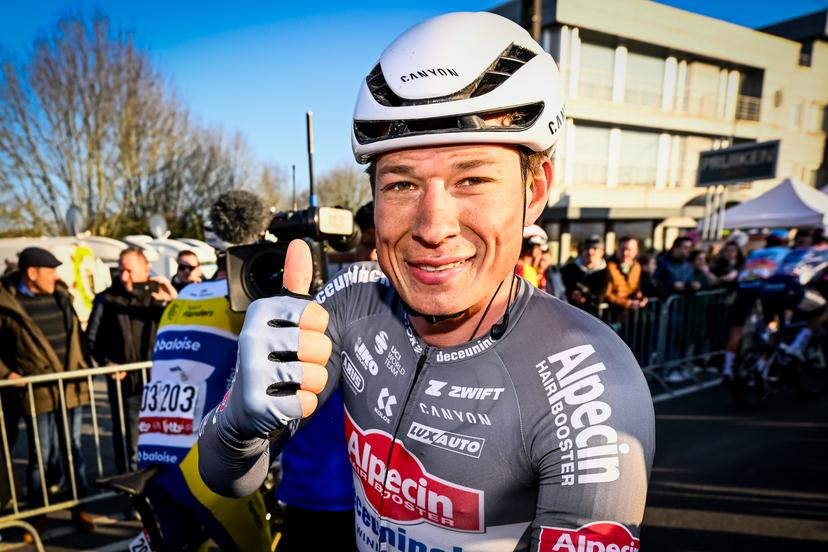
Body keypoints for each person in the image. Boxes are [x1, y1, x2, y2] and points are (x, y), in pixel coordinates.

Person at [198, 12, 654, 552]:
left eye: (473, 179)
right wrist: (236, 424)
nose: (433, 227)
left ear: (534, 191)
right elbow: (228, 477)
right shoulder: (353, 301)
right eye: (402, 184)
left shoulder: (595, 389)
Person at [133, 191, 272, 551]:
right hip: (205, 461)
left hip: (153, 454)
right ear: (258, 238)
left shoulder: (182, 298)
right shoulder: (244, 300)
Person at [0, 247, 95, 533]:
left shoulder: (61, 296)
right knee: (40, 455)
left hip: (70, 388)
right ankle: (38, 515)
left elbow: (78, 338)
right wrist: (7, 373)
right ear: (32, 273)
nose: (57, 275)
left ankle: (80, 507)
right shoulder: (7, 304)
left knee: (73, 451)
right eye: (50, 270)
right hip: (36, 392)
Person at [87, 248, 176, 474]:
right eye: (121, 270)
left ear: (146, 270)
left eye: (129, 271)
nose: (124, 276)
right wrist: (108, 364)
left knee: (163, 440)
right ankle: (131, 491)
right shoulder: (106, 299)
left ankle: (162, 488)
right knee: (130, 442)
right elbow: (92, 341)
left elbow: (185, 330)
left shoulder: (160, 297)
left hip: (162, 385)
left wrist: (174, 300)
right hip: (126, 387)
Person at [722, 230, 791, 381]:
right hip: (767, 290)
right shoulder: (786, 252)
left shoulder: (756, 253)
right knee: (775, 328)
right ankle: (761, 367)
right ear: (784, 241)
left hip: (745, 290)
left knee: (736, 329)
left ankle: (727, 369)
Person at [560, 234, 609, 315]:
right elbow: (561, 289)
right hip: (568, 314)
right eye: (587, 248)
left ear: (602, 252)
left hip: (593, 317)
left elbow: (600, 295)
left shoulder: (605, 272)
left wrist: (586, 299)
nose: (590, 252)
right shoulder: (569, 269)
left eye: (594, 248)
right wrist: (572, 294)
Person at [605, 237, 647, 320]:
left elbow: (636, 288)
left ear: (636, 251)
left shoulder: (637, 266)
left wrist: (640, 298)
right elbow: (607, 293)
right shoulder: (608, 266)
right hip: (611, 315)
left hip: (631, 316)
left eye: (629, 249)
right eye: (622, 249)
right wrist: (627, 303)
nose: (625, 253)